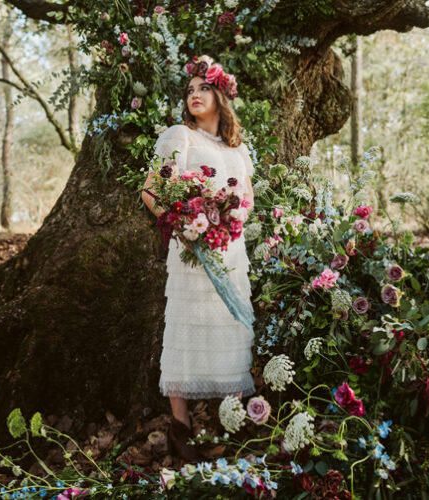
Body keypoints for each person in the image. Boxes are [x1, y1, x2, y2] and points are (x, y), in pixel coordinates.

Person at [141, 55, 257, 463]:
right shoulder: (179, 136)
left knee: (228, 327)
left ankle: (229, 420)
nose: (194, 94)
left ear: (221, 94)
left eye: (202, 87)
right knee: (185, 329)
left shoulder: (236, 148)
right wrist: (181, 225)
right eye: (189, 90)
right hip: (190, 247)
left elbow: (246, 199)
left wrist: (232, 216)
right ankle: (181, 428)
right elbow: (151, 191)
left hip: (230, 249)